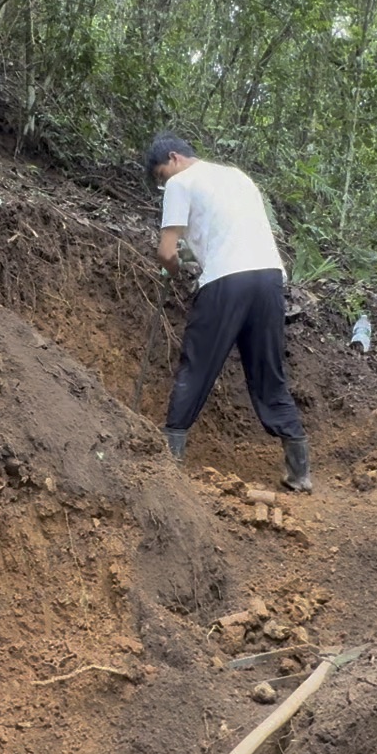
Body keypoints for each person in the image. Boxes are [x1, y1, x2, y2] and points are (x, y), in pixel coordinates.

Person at [144, 133, 313, 492]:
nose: (164, 183)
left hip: (225, 279)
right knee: (268, 371)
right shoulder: (236, 176)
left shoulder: (181, 183)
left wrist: (173, 271)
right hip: (268, 277)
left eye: (161, 175)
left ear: (173, 159)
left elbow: (165, 252)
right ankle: (299, 471)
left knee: (199, 364)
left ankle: (169, 460)